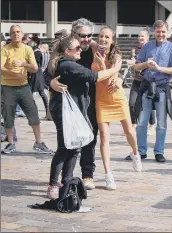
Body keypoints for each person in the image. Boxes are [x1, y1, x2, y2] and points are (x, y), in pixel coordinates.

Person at [46, 36, 119, 199]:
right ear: (67, 51)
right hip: (64, 112)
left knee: (74, 147)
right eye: (77, 47)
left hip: (75, 111)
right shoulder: (67, 65)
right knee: (64, 148)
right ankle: (53, 184)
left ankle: (66, 182)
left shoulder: (69, 62)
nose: (80, 49)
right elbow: (95, 76)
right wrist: (116, 68)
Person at [50, 18, 99, 189]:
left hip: (91, 98)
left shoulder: (95, 49)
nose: (86, 39)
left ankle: (87, 175)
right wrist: (51, 83)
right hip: (69, 102)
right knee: (68, 144)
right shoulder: (65, 51)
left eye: (89, 35)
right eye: (82, 36)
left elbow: (113, 61)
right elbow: (48, 72)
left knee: (89, 137)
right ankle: (59, 182)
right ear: (73, 35)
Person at [92, 26, 142, 190]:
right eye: (101, 36)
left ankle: (135, 153)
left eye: (107, 37)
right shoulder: (93, 51)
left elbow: (109, 78)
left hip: (116, 97)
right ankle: (108, 175)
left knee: (129, 131)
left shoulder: (117, 56)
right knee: (104, 137)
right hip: (101, 99)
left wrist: (102, 66)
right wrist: (98, 61)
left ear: (112, 40)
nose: (103, 40)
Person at [1, 25, 53, 154]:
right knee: (8, 116)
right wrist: (15, 74)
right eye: (13, 32)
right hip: (8, 87)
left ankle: (39, 142)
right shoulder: (5, 50)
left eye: (18, 32)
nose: (16, 34)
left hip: (24, 86)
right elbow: (1, 68)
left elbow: (35, 68)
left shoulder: (28, 49)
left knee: (33, 113)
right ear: (10, 35)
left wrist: (23, 64)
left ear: (22, 34)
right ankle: (11, 143)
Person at [133, 20, 172, 163]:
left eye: (163, 31)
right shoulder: (147, 46)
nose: (161, 34)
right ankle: (141, 151)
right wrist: (146, 64)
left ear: (167, 32)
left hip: (161, 87)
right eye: (158, 31)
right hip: (147, 86)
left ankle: (159, 151)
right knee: (141, 122)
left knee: (161, 123)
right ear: (154, 32)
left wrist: (159, 68)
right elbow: (136, 66)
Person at [127, 29, 156, 137]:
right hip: (137, 80)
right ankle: (134, 124)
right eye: (139, 36)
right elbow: (133, 62)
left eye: (143, 36)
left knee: (148, 103)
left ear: (148, 37)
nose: (140, 38)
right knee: (131, 103)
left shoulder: (152, 50)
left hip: (148, 81)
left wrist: (136, 63)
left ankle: (152, 126)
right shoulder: (135, 49)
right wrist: (131, 63)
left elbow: (149, 64)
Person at [27, 37, 50, 120]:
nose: (30, 42)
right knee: (39, 93)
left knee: (37, 93)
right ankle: (46, 112)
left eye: (31, 41)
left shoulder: (37, 52)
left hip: (36, 75)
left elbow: (34, 64)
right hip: (36, 75)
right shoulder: (35, 52)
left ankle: (47, 112)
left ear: (35, 42)